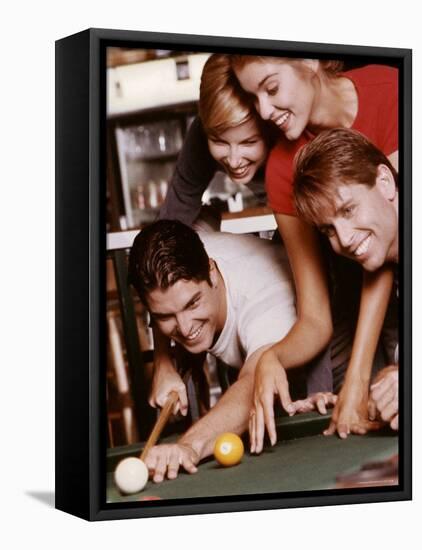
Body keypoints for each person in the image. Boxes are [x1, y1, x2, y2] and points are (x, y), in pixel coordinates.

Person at [230, 56, 398, 450]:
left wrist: (363, 378)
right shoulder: (283, 167)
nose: (264, 111)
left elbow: (391, 238)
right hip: (362, 304)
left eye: (270, 89)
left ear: (308, 59)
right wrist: (271, 358)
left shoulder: (393, 89)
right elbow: (316, 316)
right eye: (254, 98)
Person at [127, 219, 334, 481]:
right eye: (165, 316)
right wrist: (163, 363)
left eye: (193, 304)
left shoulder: (263, 299)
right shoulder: (188, 254)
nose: (184, 326)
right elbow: (204, 218)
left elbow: (253, 384)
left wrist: (188, 445)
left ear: (212, 272)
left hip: (331, 349)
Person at [293, 128, 399, 430]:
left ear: (384, 182)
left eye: (349, 210)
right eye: (328, 229)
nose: (345, 239)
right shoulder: (384, 267)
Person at [159, 53, 276, 227]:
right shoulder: (200, 135)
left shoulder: (289, 133)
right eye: (220, 141)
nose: (234, 162)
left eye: (249, 142)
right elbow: (172, 220)